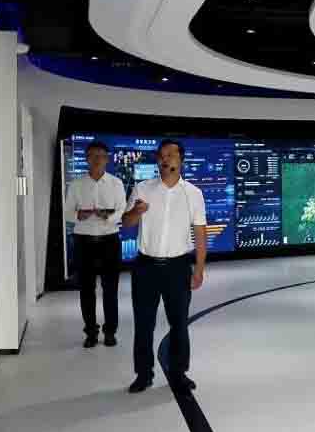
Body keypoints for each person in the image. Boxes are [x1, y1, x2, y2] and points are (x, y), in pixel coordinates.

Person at [122, 139, 208, 394]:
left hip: (178, 267)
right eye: (162, 154)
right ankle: (143, 374)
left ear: (181, 160)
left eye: (171, 154)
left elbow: (200, 233)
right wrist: (136, 212)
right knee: (143, 324)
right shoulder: (142, 189)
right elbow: (126, 223)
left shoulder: (193, 193)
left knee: (179, 323)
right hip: (146, 266)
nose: (165, 158)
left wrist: (199, 269)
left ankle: (179, 373)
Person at [64, 141, 127, 348]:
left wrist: (108, 217)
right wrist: (78, 215)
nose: (97, 159)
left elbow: (122, 210)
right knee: (86, 289)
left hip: (109, 241)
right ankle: (90, 332)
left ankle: (110, 332)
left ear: (107, 159)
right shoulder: (76, 184)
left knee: (110, 290)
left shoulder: (116, 183)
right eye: (93, 155)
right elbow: (67, 212)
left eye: (101, 155)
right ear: (87, 159)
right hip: (84, 242)